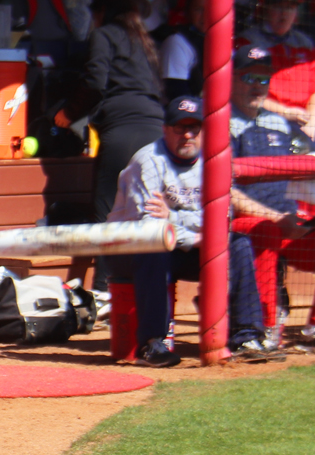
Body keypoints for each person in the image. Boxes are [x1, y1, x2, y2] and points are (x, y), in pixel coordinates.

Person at [106, 95, 273, 365]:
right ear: (165, 130)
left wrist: (173, 217)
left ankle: (246, 336)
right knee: (154, 249)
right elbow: (150, 227)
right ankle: (152, 344)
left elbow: (222, 219)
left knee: (239, 244)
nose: (187, 135)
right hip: (130, 248)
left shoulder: (216, 160)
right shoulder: (147, 161)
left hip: (190, 244)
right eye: (179, 128)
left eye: (194, 128)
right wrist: (199, 233)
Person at [228, 45, 315, 350]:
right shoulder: (220, 122)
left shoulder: (279, 123)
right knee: (265, 231)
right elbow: (223, 190)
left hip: (289, 221)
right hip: (241, 227)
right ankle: (259, 327)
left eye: (263, 79)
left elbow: (303, 176)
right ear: (232, 79)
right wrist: (274, 218)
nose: (256, 86)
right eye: (249, 77)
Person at [56, 0, 166, 291]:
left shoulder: (103, 35)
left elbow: (95, 82)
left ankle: (107, 289)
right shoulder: (143, 40)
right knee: (149, 208)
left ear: (102, 11)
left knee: (109, 209)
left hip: (122, 128)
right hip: (156, 129)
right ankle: (149, 286)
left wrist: (67, 114)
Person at [235, 0, 315, 143]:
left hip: (307, 118)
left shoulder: (305, 43)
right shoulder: (248, 41)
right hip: (268, 116)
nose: (284, 13)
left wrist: (313, 122)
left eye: (290, 8)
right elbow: (244, 91)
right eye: (278, 6)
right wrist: (285, 112)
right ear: (265, 9)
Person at [158, 0, 206, 101]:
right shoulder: (177, 42)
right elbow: (176, 95)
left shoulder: (227, 42)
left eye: (212, 9)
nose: (206, 15)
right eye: (199, 10)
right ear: (188, 13)